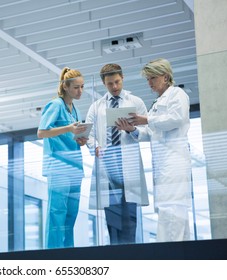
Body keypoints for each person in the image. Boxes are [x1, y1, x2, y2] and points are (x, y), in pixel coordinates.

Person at [117, 58, 192, 242]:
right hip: (163, 162)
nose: (149, 83)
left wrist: (147, 120)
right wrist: (132, 129)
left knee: (172, 210)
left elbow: (177, 118)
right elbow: (150, 133)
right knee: (169, 210)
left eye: (152, 78)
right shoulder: (157, 103)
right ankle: (181, 256)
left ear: (165, 77)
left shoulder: (177, 94)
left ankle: (170, 257)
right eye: (147, 79)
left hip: (174, 160)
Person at [86, 63, 149, 245]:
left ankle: (130, 256)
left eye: (117, 82)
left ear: (122, 78)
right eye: (110, 84)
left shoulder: (135, 102)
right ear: (103, 84)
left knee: (130, 220)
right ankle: (115, 255)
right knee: (112, 220)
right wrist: (95, 146)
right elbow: (90, 134)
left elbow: (149, 132)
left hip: (127, 167)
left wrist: (132, 130)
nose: (114, 87)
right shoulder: (96, 107)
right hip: (108, 167)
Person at [37, 67, 88, 249]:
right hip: (58, 167)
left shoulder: (75, 110)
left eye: (82, 87)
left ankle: (68, 254)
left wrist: (80, 139)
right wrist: (68, 129)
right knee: (57, 213)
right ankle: (53, 255)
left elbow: (71, 136)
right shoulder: (55, 105)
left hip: (74, 167)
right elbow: (41, 132)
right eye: (76, 87)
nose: (80, 91)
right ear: (65, 87)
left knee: (71, 215)